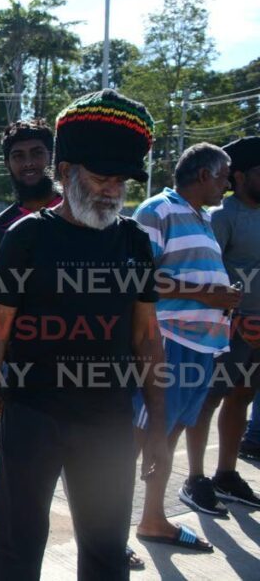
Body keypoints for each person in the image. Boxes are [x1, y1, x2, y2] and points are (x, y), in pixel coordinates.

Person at [0, 89, 170, 581]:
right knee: (16, 549)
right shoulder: (27, 238)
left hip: (109, 423)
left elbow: (147, 339)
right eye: (101, 176)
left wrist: (158, 427)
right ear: (65, 172)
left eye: (120, 180)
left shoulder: (134, 242)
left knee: (105, 550)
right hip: (34, 416)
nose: (111, 190)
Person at [131, 143, 240, 539]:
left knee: (171, 431)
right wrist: (207, 295)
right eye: (225, 175)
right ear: (203, 175)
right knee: (139, 435)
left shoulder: (203, 217)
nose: (228, 184)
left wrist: (222, 296)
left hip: (202, 346)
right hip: (168, 342)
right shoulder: (157, 210)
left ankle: (152, 518)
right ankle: (109, 530)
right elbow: (138, 278)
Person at [181, 136, 260, 511]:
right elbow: (210, 274)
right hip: (231, 329)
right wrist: (235, 318)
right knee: (207, 400)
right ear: (241, 177)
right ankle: (195, 478)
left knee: (242, 396)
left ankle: (225, 474)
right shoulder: (223, 217)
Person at [0, 118, 61, 354]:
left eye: (37, 153)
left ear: (52, 156)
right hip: (18, 366)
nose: (28, 163)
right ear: (7, 163)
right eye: (18, 156)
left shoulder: (79, 216)